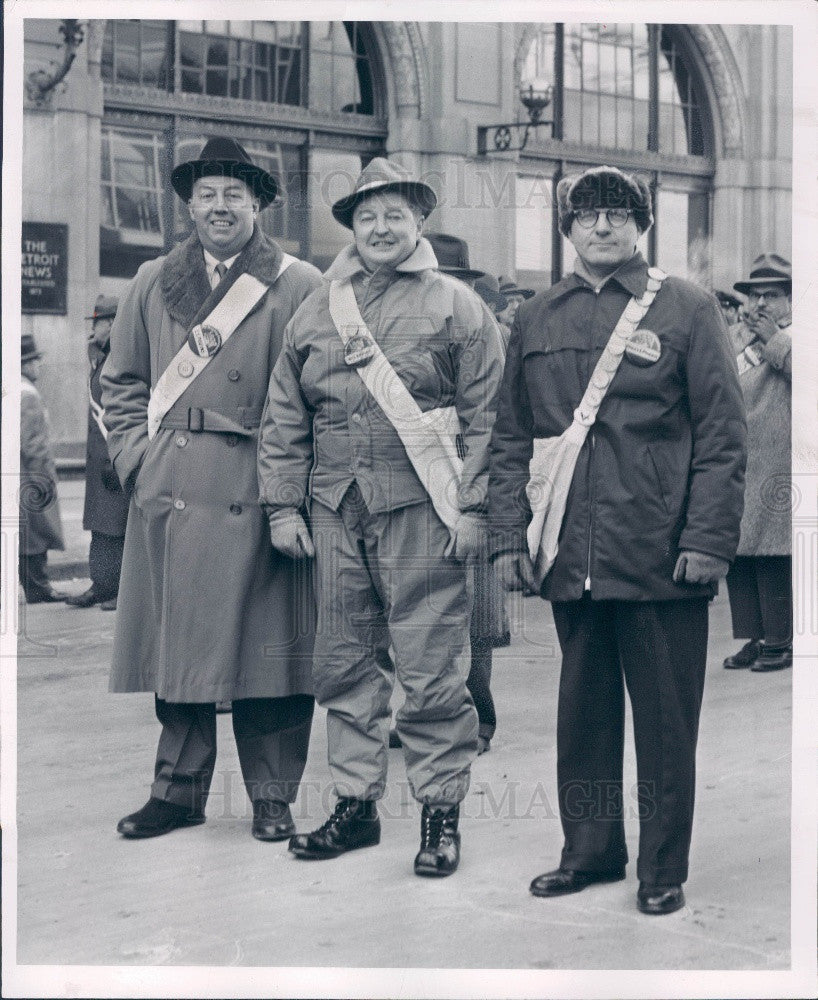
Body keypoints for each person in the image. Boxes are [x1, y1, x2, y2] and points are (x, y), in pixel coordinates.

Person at [488, 165, 746, 915]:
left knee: (666, 727)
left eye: (619, 213)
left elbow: (723, 438)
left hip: (662, 554)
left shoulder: (687, 309)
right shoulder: (536, 316)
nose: (602, 226)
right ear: (567, 229)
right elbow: (512, 436)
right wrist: (512, 538)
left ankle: (662, 869)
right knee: (584, 715)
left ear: (643, 225)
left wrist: (707, 539)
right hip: (571, 554)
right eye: (587, 215)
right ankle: (591, 851)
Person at [258, 158, 505, 877]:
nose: (381, 227)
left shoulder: (457, 305)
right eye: (367, 216)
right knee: (342, 666)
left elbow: (490, 416)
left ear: (419, 222)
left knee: (431, 672)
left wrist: (475, 509)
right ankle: (355, 807)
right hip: (335, 511)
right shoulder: (315, 309)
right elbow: (284, 415)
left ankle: (439, 815)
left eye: (395, 214)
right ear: (352, 227)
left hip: (422, 508)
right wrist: (281, 504)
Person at [100, 137, 322, 842]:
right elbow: (122, 384)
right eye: (206, 193)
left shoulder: (298, 284)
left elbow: (321, 399)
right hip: (174, 489)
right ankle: (177, 791)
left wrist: (292, 490)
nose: (219, 206)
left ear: (257, 202)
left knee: (272, 655)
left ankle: (273, 797)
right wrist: (139, 462)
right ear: (189, 204)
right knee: (180, 650)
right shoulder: (150, 279)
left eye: (234, 193)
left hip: (262, 489)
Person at [425, 232, 511, 754]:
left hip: (472, 475)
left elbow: (496, 415)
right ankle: (430, 709)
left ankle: (479, 713)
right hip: (418, 475)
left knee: (476, 608)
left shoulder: (485, 330)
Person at [722, 253, 792, 672]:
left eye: (771, 295)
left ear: (789, 301)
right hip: (739, 459)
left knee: (774, 554)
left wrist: (775, 341)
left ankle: (780, 640)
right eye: (755, 295)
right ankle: (753, 635)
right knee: (740, 552)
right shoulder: (735, 336)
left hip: (780, 462)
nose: (760, 303)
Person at [66, 295, 128, 611]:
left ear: (115, 323)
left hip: (115, 459)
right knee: (101, 526)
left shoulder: (124, 359)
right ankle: (101, 584)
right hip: (99, 460)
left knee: (119, 527)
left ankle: (120, 589)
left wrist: (120, 457)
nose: (95, 330)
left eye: (100, 323)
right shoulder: (103, 357)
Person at [19, 334, 67, 604]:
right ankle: (39, 586)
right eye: (35, 361)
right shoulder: (29, 396)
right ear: (24, 365)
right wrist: (45, 480)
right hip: (31, 476)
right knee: (36, 534)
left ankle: (35, 585)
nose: (39, 365)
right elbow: (34, 444)